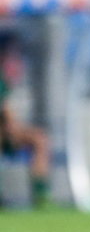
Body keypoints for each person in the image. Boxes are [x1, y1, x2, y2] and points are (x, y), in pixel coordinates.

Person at [0, 60, 51, 209]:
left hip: (5, 131)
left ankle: (42, 195)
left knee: (39, 139)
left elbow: (6, 109)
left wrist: (11, 129)